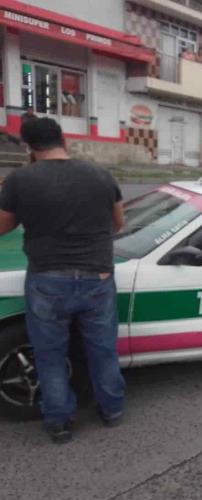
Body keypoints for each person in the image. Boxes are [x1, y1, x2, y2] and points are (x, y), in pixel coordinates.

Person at [0, 118, 126, 443]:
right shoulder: (100, 175)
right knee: (102, 350)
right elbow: (118, 224)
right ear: (64, 139)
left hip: (47, 281)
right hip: (97, 277)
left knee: (50, 355)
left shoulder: (20, 180)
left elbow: (3, 227)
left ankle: (59, 422)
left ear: (29, 147)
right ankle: (111, 410)